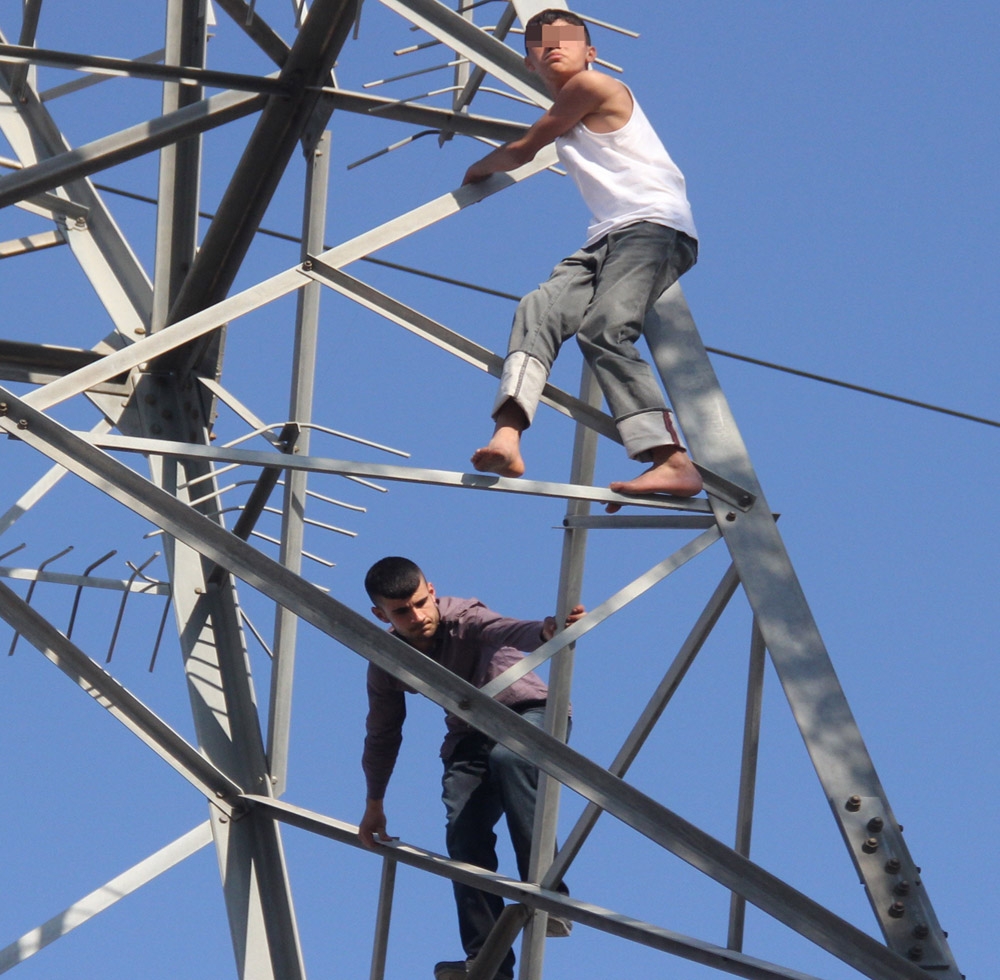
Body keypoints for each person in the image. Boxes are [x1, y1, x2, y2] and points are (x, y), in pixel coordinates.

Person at [466, 9, 703, 504]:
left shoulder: (594, 87)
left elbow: (525, 148)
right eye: (538, 44)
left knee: (604, 328)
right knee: (538, 309)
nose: (551, 46)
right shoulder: (570, 107)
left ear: (590, 52)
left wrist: (478, 168)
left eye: (565, 40)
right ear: (529, 64)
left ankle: (672, 460)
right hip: (606, 238)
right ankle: (508, 435)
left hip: (652, 228)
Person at [358, 556, 585, 980]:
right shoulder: (387, 658)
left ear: (432, 589)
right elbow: (383, 733)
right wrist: (374, 802)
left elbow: (503, 629)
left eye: (422, 602)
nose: (419, 616)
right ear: (381, 615)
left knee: (511, 758)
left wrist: (545, 631)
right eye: (402, 612)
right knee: (463, 829)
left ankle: (550, 896)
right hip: (469, 734)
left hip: (529, 713)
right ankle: (488, 960)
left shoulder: (462, 617)